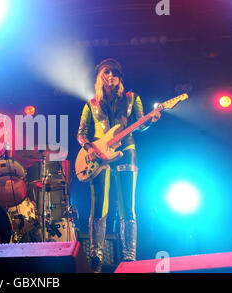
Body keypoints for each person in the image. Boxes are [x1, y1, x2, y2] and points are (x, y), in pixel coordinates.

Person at [77, 58, 160, 272]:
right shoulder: (91, 104)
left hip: (126, 152)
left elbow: (140, 124)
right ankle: (96, 257)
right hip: (98, 156)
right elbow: (81, 134)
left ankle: (129, 259)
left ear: (120, 77)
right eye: (107, 73)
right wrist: (90, 148)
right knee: (99, 206)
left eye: (115, 73)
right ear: (100, 77)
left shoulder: (132, 98)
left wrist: (151, 120)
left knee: (128, 208)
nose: (111, 77)